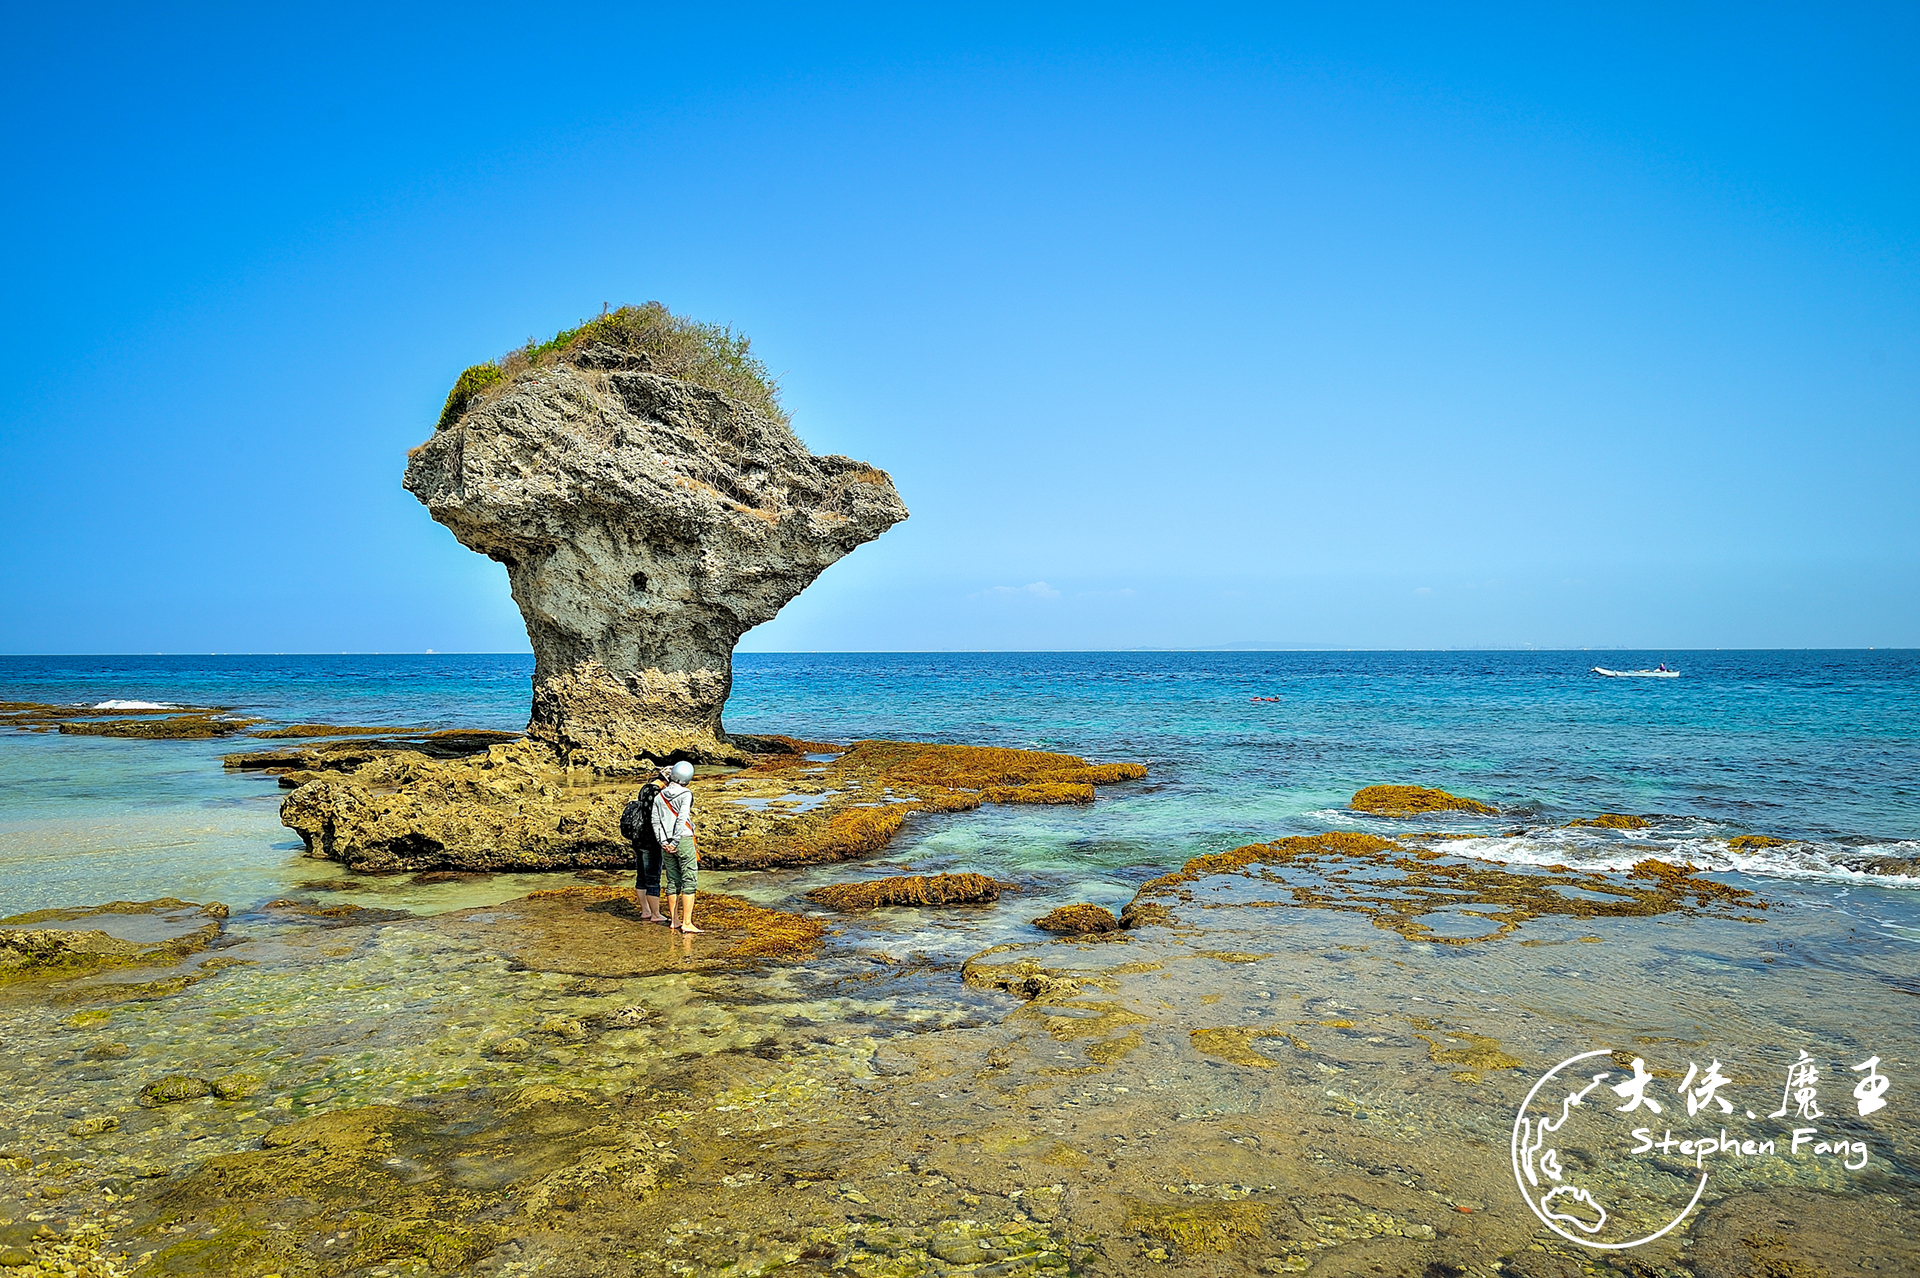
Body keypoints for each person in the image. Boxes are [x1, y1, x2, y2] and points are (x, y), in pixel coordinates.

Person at [652, 760, 702, 933]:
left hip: (665, 842)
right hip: (683, 840)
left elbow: (656, 822)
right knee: (689, 879)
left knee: (672, 880)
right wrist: (674, 841)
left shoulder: (659, 796)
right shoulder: (686, 794)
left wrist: (663, 842)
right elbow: (682, 819)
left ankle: (675, 920)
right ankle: (687, 922)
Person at [621, 773, 669, 924]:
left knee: (641, 876)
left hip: (638, 838)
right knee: (653, 878)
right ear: (666, 781)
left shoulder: (645, 789)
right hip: (651, 840)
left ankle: (645, 910)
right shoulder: (657, 793)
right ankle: (655, 914)